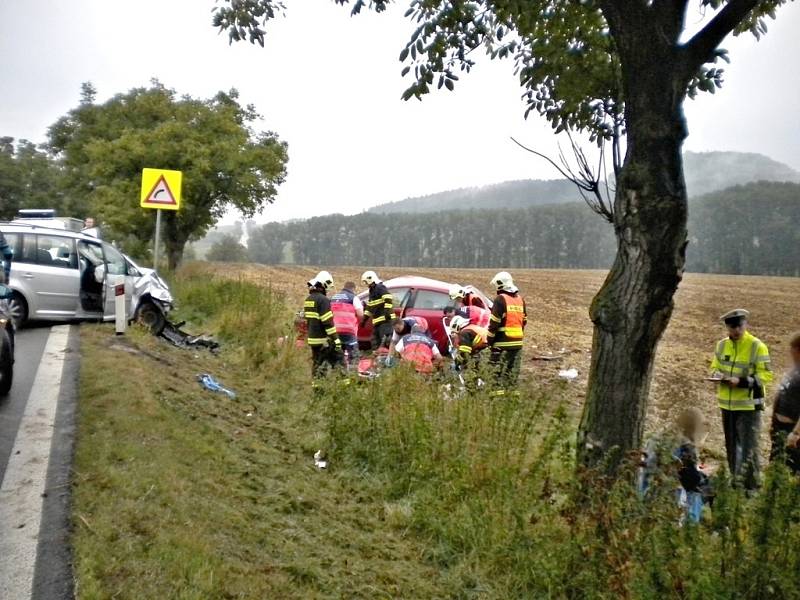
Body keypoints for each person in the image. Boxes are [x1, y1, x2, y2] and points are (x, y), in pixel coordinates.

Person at [709, 308, 773, 490]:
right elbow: (714, 367)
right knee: (731, 447)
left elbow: (766, 376)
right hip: (727, 405)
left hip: (748, 406)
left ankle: (751, 488)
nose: (736, 330)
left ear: (745, 324)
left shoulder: (757, 346)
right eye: (732, 327)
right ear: (727, 327)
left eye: (739, 326)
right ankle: (736, 484)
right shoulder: (721, 346)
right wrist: (717, 375)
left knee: (748, 449)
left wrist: (742, 382)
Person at [638, 408, 712, 524]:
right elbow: (691, 481)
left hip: (645, 494)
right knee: (704, 488)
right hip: (668, 502)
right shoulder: (684, 446)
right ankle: (691, 525)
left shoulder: (658, 437)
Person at [486, 271, 527, 396]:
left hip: (501, 344)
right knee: (512, 375)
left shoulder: (500, 299)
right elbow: (524, 321)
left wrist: (490, 341)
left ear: (500, 285)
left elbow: (494, 323)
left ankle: (496, 399)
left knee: (497, 374)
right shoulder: (520, 300)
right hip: (517, 344)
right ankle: (512, 399)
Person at [303, 271, 343, 382]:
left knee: (318, 366)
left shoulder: (309, 299)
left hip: (313, 340)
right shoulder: (323, 300)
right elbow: (327, 322)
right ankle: (344, 388)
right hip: (324, 340)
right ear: (324, 284)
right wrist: (336, 339)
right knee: (339, 361)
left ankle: (318, 391)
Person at [770, 332, 800, 473]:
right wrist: (772, 422)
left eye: (792, 350)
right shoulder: (793, 371)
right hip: (779, 427)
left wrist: (796, 433)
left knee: (791, 470)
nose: (790, 353)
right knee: (775, 466)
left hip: (792, 430)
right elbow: (780, 393)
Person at [329, 281, 364, 368]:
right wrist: (357, 322)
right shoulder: (353, 298)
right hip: (349, 330)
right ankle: (353, 371)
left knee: (337, 353)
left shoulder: (333, 297)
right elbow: (360, 314)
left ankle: (336, 371)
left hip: (335, 330)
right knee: (353, 353)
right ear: (353, 289)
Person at [360, 270, 395, 351]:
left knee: (385, 342)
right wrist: (364, 320)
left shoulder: (380, 287)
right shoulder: (372, 291)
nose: (366, 284)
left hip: (386, 321)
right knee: (375, 342)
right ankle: (378, 359)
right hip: (378, 322)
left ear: (370, 279)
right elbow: (370, 307)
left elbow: (388, 298)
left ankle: (387, 359)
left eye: (366, 281)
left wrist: (387, 312)